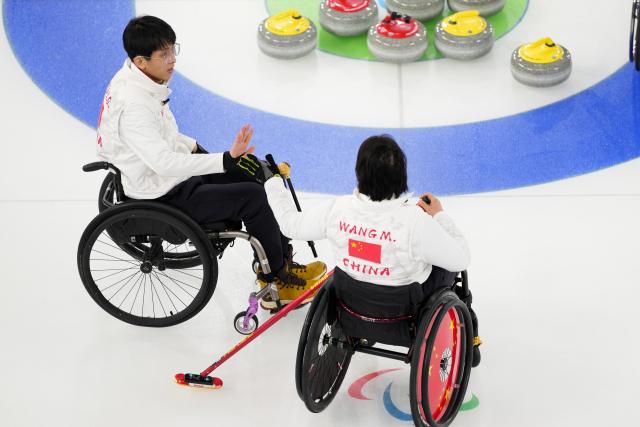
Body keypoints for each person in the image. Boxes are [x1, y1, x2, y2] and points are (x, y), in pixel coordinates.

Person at [95, 15, 326, 309]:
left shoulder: (137, 80)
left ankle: (280, 262)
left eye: (172, 49)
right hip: (163, 192)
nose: (172, 59)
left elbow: (166, 134)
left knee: (255, 172)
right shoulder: (135, 106)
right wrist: (222, 161)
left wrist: (202, 151)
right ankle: (276, 279)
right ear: (141, 61)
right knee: (252, 197)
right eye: (163, 54)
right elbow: (164, 163)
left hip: (169, 176)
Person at [263, 134, 481, 364]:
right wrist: (439, 216)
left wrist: (272, 181)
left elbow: (290, 224)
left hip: (352, 309)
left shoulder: (338, 209)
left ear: (360, 173)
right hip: (406, 318)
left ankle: (367, 330)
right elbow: (461, 258)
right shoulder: (416, 221)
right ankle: (470, 336)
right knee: (451, 268)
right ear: (401, 176)